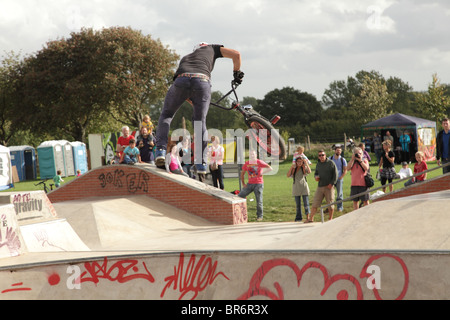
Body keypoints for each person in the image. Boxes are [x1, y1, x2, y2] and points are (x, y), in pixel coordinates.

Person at [155, 42, 243, 176]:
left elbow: (184, 87)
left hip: (181, 80)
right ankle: (201, 163)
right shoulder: (212, 48)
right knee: (200, 122)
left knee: (167, 114)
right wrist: (237, 73)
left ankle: (160, 151)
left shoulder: (186, 57)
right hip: (202, 81)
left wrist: (190, 97)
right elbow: (236, 54)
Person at [238, 150, 273, 221]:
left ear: (256, 155)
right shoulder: (247, 163)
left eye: (253, 154)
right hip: (250, 184)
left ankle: (260, 216)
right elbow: (242, 173)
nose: (252, 156)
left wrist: (262, 173)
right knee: (240, 196)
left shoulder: (259, 162)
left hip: (258, 183)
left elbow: (270, 168)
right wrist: (243, 183)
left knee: (259, 200)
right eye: (250, 155)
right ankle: (241, 213)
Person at [305, 150, 338, 223]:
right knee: (315, 203)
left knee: (330, 203)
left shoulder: (330, 163)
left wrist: (331, 184)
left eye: (322, 155)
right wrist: (316, 177)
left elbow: (335, 174)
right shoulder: (318, 164)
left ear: (325, 155)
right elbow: (316, 173)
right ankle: (311, 219)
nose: (321, 157)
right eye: (319, 155)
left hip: (329, 187)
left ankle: (330, 219)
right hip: (320, 186)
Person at [287, 156, 311, 222]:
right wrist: (292, 167)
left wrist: (306, 164)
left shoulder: (304, 167)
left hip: (304, 187)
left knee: (306, 203)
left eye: (301, 161)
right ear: (296, 162)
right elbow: (288, 175)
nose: (299, 163)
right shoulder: (294, 169)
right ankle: (298, 217)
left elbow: (309, 171)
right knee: (298, 204)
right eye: (298, 162)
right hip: (296, 187)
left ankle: (308, 217)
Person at [330, 146, 347, 212]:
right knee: (330, 194)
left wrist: (341, 176)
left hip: (339, 179)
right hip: (331, 179)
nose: (338, 152)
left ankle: (340, 207)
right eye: (337, 150)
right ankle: (331, 207)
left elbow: (345, 170)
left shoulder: (343, 160)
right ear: (335, 151)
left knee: (339, 194)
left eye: (339, 150)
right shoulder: (330, 158)